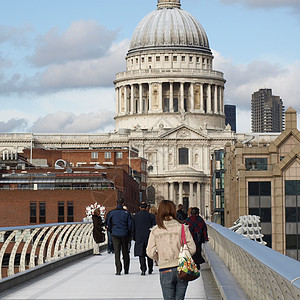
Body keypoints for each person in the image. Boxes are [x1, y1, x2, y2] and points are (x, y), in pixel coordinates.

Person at [147, 200, 196, 300]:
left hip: (165, 269)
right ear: (174, 211)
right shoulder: (182, 228)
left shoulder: (155, 230)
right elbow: (193, 248)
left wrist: (160, 257)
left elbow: (150, 252)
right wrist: (183, 256)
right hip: (182, 268)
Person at [107, 198, 133, 275]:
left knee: (117, 253)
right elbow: (130, 224)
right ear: (123, 204)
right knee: (125, 252)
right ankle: (126, 269)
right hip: (125, 234)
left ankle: (118, 270)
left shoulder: (111, 213)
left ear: (116, 203)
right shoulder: (127, 213)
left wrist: (112, 231)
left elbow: (108, 224)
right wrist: (129, 233)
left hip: (115, 234)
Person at [133, 202, 156, 275]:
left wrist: (134, 236)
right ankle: (150, 268)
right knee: (149, 253)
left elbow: (133, 228)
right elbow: (154, 227)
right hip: (149, 236)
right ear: (146, 208)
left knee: (141, 254)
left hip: (139, 236)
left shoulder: (135, 216)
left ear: (139, 207)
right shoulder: (151, 216)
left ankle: (143, 269)